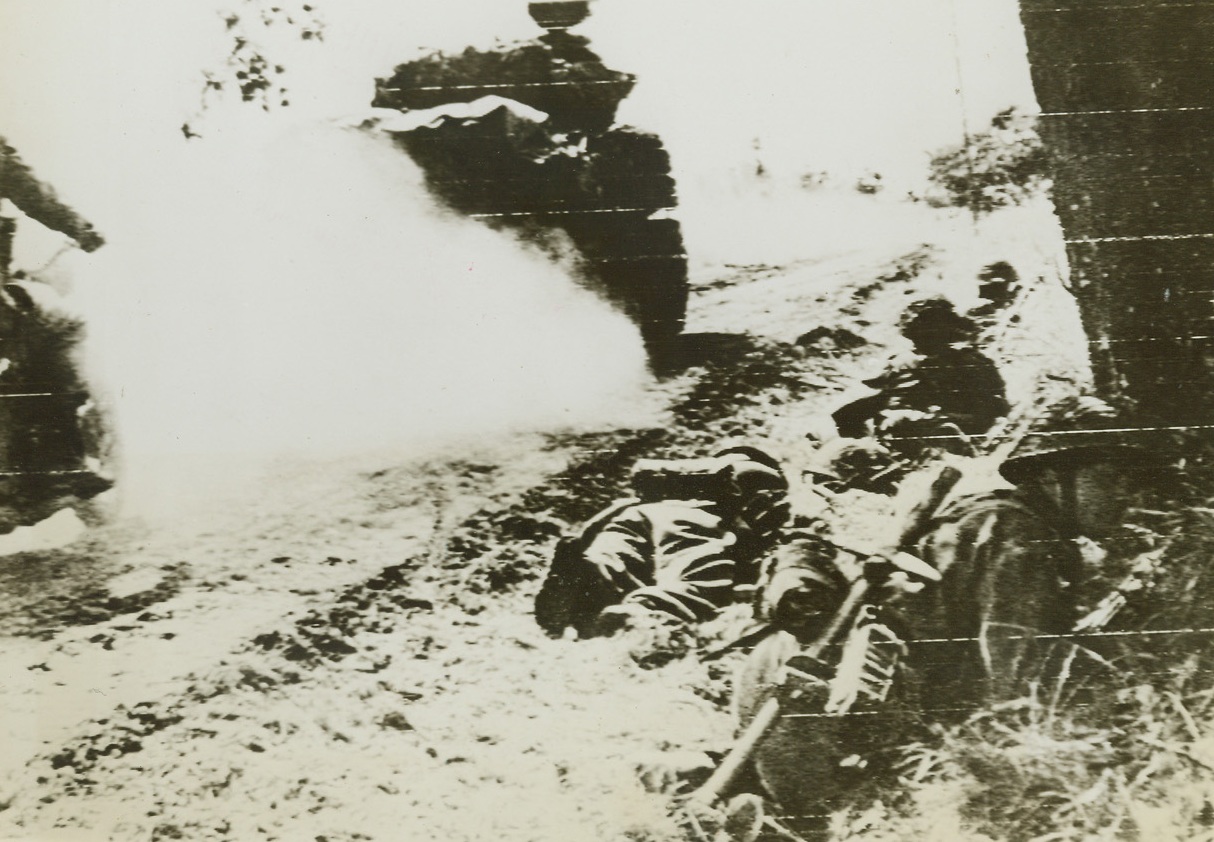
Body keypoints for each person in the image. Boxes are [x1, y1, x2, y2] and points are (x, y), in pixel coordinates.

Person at [900, 394, 1172, 705]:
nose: (1125, 495)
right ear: (1050, 474)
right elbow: (1014, 690)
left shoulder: (988, 513)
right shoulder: (1023, 539)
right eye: (1110, 477)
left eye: (1132, 484)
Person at [533, 446, 791, 638]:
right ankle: (646, 614)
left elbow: (592, 534)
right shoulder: (716, 505)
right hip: (692, 529)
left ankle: (588, 584)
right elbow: (699, 561)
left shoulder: (642, 504)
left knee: (611, 562)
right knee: (699, 573)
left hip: (622, 535)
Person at [832, 297, 1009, 455]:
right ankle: (863, 455)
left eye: (925, 336)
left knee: (907, 423)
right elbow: (895, 396)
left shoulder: (970, 362)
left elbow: (992, 409)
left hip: (962, 425)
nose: (917, 343)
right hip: (924, 422)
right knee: (848, 414)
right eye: (916, 337)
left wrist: (942, 417)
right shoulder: (919, 365)